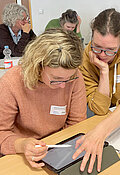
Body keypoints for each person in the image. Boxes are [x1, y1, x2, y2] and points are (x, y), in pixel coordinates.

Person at [72, 8, 120, 173]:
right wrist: (104, 72)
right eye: (97, 47)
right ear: (91, 38)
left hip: (118, 120)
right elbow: (100, 108)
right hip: (103, 118)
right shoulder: (87, 56)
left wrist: (101, 131)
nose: (102, 55)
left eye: (110, 50)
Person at [0, 28, 87, 168]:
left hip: (58, 148)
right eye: (56, 79)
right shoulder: (11, 82)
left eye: (68, 79)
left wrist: (56, 151)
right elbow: (1, 132)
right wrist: (23, 145)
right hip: (20, 153)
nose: (63, 86)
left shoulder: (75, 77)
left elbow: (77, 124)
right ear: (38, 66)